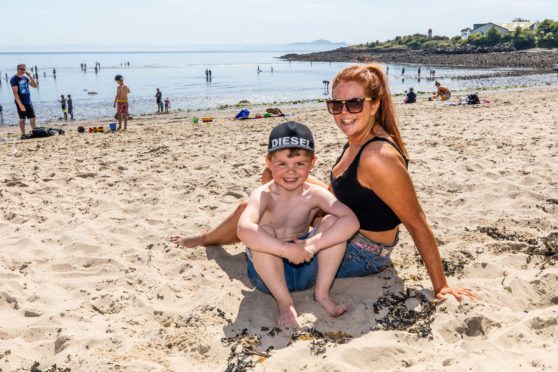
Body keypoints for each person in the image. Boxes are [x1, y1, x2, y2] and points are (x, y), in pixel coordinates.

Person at [173, 64, 476, 304]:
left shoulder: (377, 157)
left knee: (260, 226)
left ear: (374, 105)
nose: (344, 113)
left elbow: (417, 222)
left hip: (364, 250)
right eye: (337, 104)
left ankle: (222, 242)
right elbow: (345, 194)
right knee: (268, 184)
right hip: (343, 221)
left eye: (354, 104)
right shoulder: (356, 139)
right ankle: (207, 238)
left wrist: (442, 285)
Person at [173, 122, 359, 326]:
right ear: (269, 162)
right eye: (282, 164)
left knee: (332, 220)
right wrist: (284, 250)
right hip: (271, 276)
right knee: (262, 231)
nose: (291, 172)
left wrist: (311, 245)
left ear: (312, 163)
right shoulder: (264, 195)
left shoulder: (315, 195)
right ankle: (285, 303)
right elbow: (243, 229)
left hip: (307, 263)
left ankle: (322, 294)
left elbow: (351, 220)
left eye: (300, 164)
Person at [10, 64, 38, 137]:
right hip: (20, 102)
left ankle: (34, 132)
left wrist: (30, 76)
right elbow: (15, 93)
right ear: (18, 69)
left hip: (28, 101)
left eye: (24, 69)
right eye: (22, 69)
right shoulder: (14, 79)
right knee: (22, 119)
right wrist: (20, 104)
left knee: (32, 118)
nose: (23, 71)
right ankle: (23, 134)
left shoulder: (25, 78)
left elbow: (35, 86)